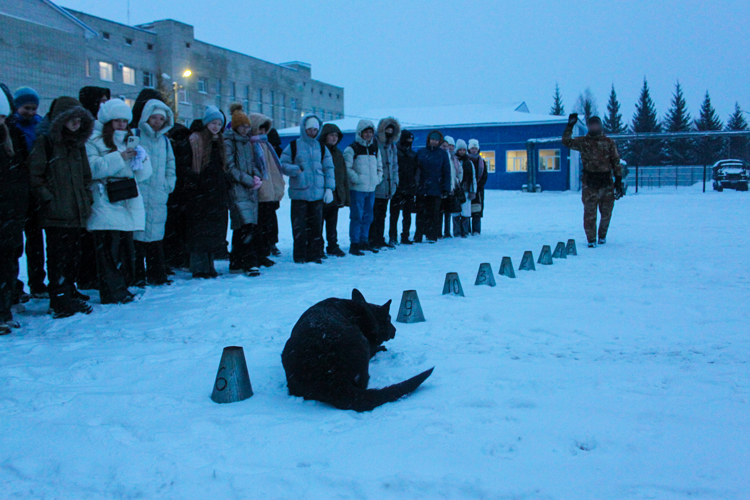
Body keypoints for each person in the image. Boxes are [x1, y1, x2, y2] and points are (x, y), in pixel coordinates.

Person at [28, 96, 95, 318]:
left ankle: (68, 290)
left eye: (79, 118)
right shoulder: (46, 142)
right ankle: (59, 297)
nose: (76, 123)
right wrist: (49, 199)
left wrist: (86, 198)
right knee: (58, 256)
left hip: (76, 211)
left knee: (73, 254)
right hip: (56, 212)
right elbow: (35, 176)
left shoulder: (78, 144)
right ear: (61, 119)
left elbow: (86, 177)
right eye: (72, 119)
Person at [86, 98, 152, 304]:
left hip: (127, 196)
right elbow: (93, 169)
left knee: (124, 248)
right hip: (105, 197)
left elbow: (142, 176)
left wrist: (140, 161)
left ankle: (121, 287)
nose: (122, 125)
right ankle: (111, 290)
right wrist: (120, 157)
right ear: (108, 121)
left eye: (125, 121)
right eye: (117, 121)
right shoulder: (94, 141)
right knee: (108, 249)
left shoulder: (130, 140)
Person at [174, 106, 231, 278]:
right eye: (213, 123)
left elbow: (222, 167)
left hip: (216, 193)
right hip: (199, 193)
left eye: (219, 124)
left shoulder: (219, 141)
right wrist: (198, 181)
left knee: (213, 231)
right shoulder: (194, 140)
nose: (216, 127)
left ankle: (209, 265)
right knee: (199, 232)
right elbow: (183, 166)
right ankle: (199, 267)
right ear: (207, 123)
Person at [279, 115, 335, 264]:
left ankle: (315, 254)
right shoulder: (293, 146)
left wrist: (329, 188)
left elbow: (329, 168)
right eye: (310, 129)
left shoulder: (322, 148)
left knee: (316, 227)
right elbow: (282, 164)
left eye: (315, 129)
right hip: (299, 193)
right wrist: (294, 169)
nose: (313, 132)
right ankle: (300, 255)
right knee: (299, 227)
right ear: (305, 129)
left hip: (317, 194)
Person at [8, 87, 47, 298]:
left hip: (34, 188)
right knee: (15, 242)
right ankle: (14, 286)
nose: (31, 112)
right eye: (26, 108)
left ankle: (38, 282)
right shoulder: (10, 126)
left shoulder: (39, 126)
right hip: (17, 188)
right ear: (16, 107)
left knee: (36, 240)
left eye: (33, 108)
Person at [562, 113, 622, 247]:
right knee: (590, 213)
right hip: (590, 184)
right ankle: (591, 240)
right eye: (591, 125)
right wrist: (570, 125)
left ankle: (602, 237)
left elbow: (615, 161)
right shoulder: (583, 142)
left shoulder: (608, 143)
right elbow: (566, 141)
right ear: (589, 127)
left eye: (596, 124)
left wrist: (618, 180)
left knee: (606, 213)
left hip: (606, 183)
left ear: (600, 126)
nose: (594, 127)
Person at [133, 99, 176, 286]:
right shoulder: (136, 136)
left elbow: (170, 165)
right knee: (137, 237)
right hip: (139, 193)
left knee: (156, 235)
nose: (157, 122)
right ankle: (136, 275)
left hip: (159, 194)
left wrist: (168, 184)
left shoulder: (165, 142)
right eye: (154, 118)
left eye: (161, 119)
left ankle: (156, 273)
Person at [77, 86, 111, 290]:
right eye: (101, 101)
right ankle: (86, 276)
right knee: (88, 237)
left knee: (99, 236)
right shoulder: (85, 126)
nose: (105, 105)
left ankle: (96, 274)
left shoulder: (105, 125)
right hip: (89, 188)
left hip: (101, 190)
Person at [224, 104, 263, 277]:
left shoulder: (247, 142)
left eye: (247, 126)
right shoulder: (228, 141)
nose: (245, 129)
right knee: (245, 226)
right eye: (242, 126)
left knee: (245, 227)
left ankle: (237, 261)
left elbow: (253, 164)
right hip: (237, 189)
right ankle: (249, 262)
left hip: (249, 190)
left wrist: (256, 177)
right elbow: (229, 167)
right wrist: (248, 180)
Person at [0, 92, 28, 333]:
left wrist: (20, 206)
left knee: (8, 263)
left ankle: (4, 308)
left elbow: (21, 174)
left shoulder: (13, 135)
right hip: (7, 209)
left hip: (10, 212)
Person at [344, 119, 382, 256]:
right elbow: (347, 168)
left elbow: (379, 166)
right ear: (360, 132)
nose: (368, 135)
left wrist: (378, 179)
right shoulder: (351, 149)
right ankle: (354, 243)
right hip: (357, 189)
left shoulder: (374, 149)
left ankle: (364, 241)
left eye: (370, 132)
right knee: (357, 216)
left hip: (371, 189)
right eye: (365, 132)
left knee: (368, 217)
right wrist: (357, 179)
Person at [318, 122, 349, 257]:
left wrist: (344, 195)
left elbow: (342, 175)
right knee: (318, 223)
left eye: (336, 135)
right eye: (331, 135)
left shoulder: (338, 153)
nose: (334, 138)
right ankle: (317, 246)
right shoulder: (318, 150)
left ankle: (332, 245)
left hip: (335, 194)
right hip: (320, 193)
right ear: (325, 136)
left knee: (332, 223)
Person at [163, 122, 191, 271]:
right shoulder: (183, 144)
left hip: (175, 192)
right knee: (178, 228)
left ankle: (174, 258)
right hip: (177, 191)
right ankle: (178, 258)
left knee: (173, 228)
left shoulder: (170, 144)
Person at [415, 130, 451, 243]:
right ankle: (419, 234)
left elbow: (446, 172)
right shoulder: (421, 152)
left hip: (436, 188)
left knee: (434, 213)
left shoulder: (442, 154)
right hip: (422, 188)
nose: (434, 142)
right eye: (432, 139)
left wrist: (446, 187)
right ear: (428, 140)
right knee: (420, 213)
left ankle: (432, 235)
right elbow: (416, 170)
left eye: (436, 140)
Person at [371, 117, 401, 249]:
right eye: (387, 128)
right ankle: (372, 238)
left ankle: (380, 238)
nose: (389, 131)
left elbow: (394, 166)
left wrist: (394, 182)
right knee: (374, 214)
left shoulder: (392, 146)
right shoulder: (375, 143)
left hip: (388, 186)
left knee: (382, 214)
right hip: (377, 185)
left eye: (391, 129)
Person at [257, 126, 285, 262]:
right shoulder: (256, 146)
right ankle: (266, 245)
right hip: (264, 189)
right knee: (264, 219)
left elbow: (277, 171)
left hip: (271, 188)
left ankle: (271, 243)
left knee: (270, 218)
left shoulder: (272, 149)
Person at [390, 130, 417, 245]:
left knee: (407, 214)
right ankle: (393, 236)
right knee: (394, 214)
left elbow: (416, 171)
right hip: (397, 188)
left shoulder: (412, 154)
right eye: (408, 139)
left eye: (411, 139)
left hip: (409, 188)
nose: (409, 142)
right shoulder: (394, 152)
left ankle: (405, 236)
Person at [440, 136, 462, 238]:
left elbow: (457, 173)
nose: (450, 147)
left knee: (448, 211)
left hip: (451, 188)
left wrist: (456, 182)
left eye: (452, 146)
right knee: (440, 211)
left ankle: (447, 231)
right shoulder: (442, 156)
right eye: (448, 145)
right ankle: (438, 231)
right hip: (441, 187)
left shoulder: (454, 158)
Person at [453, 139, 475, 238]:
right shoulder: (453, 161)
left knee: (465, 212)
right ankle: (456, 231)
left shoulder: (469, 163)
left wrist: (472, 191)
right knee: (455, 211)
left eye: (463, 150)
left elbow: (473, 178)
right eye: (460, 150)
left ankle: (465, 231)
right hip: (455, 191)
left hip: (466, 190)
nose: (461, 152)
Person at [467, 139, 488, 235]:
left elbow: (484, 175)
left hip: (479, 190)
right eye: (472, 148)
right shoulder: (466, 161)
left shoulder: (482, 161)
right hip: (468, 188)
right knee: (466, 210)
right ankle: (466, 230)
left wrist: (478, 186)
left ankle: (476, 230)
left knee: (477, 210)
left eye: (475, 148)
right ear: (469, 149)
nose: (474, 150)